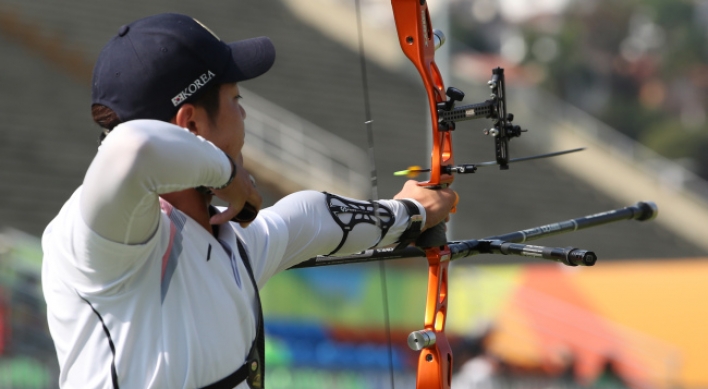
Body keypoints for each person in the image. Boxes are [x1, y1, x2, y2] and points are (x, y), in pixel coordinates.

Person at [40, 13, 456, 389]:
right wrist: (225, 172)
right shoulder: (99, 241)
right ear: (191, 123)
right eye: (236, 102)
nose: (244, 118)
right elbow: (131, 149)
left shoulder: (227, 241)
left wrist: (409, 213)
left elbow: (307, 219)